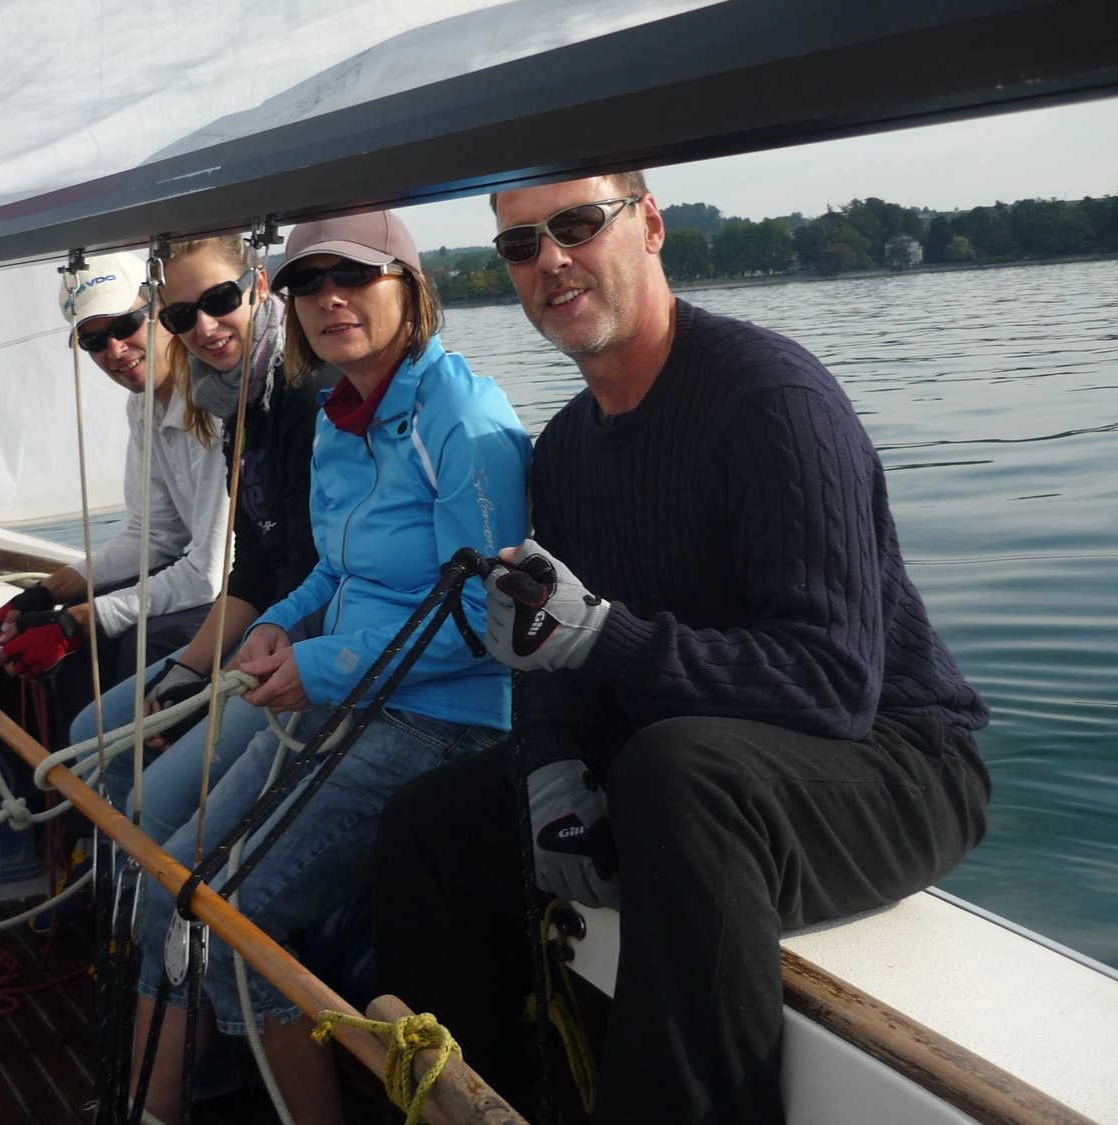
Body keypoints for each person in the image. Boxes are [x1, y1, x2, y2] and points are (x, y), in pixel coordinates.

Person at [373, 173, 992, 1124]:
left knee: (674, 771)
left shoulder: (771, 403)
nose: (551, 261)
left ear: (650, 224)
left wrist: (608, 636)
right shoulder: (570, 449)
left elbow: (832, 683)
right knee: (428, 830)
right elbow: (556, 661)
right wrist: (552, 768)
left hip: (899, 759)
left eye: (577, 225)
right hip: (698, 755)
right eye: (520, 245)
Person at [126, 211, 533, 1125]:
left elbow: (488, 621)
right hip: (354, 695)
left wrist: (325, 661)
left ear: (411, 289)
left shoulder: (462, 419)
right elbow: (331, 569)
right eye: (308, 283)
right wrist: (274, 626)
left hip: (447, 723)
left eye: (354, 276)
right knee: (179, 874)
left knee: (229, 924)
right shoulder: (343, 415)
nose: (329, 299)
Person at [67, 234, 328, 842]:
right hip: (268, 617)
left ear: (259, 286)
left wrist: (223, 670)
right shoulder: (236, 399)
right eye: (185, 314)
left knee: (151, 804)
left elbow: (290, 570)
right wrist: (187, 674)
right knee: (90, 736)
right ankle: (127, 896)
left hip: (302, 640)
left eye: (219, 300)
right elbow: (256, 565)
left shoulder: (302, 397)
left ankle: (158, 912)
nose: (204, 327)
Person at [0, 251, 229, 747]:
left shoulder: (213, 404)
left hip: (248, 589)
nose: (115, 350)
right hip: (215, 578)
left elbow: (210, 569)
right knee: (75, 643)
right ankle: (73, 802)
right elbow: (152, 536)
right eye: (94, 340)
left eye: (125, 325)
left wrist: (77, 623)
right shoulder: (142, 406)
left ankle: (112, 799)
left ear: (158, 310)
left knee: (132, 640)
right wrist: (48, 593)